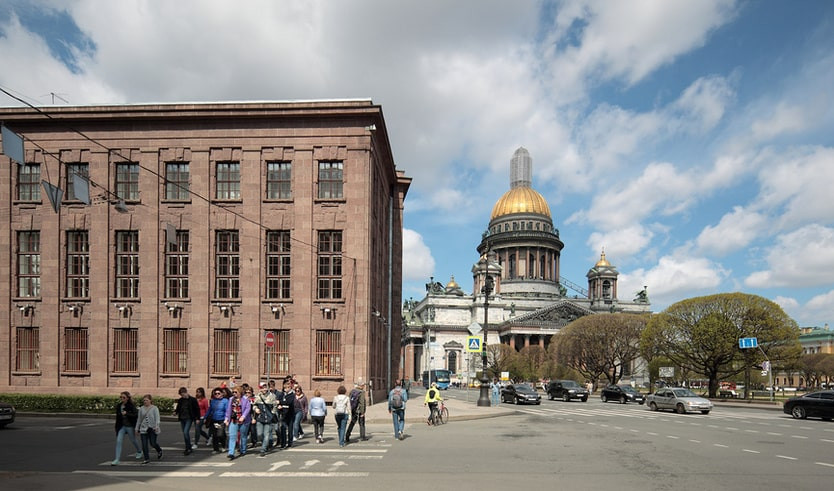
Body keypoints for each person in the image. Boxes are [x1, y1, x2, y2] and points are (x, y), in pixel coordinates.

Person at [111, 391, 142, 465]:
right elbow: (117, 418)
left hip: (130, 426)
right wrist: (116, 427)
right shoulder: (119, 406)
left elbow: (135, 415)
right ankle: (117, 459)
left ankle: (139, 451)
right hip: (121, 426)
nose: (122, 399)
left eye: (124, 397)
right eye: (121, 397)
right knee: (119, 441)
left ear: (127, 398)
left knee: (133, 440)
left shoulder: (131, 406)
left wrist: (127, 413)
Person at [224, 386, 251, 460]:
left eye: (236, 392)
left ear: (240, 392)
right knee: (232, 436)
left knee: (243, 436)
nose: (234, 393)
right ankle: (231, 452)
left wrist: (243, 416)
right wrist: (226, 419)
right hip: (234, 420)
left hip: (243, 420)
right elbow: (228, 410)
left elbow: (248, 408)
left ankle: (243, 450)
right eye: (233, 392)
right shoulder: (231, 399)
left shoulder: (245, 399)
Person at [135, 394, 163, 464]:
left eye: (146, 400)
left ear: (150, 400)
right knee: (144, 444)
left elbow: (157, 418)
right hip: (143, 428)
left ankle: (159, 450)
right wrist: (136, 428)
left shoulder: (154, 408)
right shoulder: (141, 408)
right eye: (144, 400)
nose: (145, 402)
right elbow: (139, 419)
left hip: (152, 428)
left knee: (153, 443)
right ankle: (146, 458)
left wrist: (156, 426)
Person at [252, 381, 278, 457]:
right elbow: (254, 405)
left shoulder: (272, 396)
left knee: (267, 434)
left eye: (265, 387)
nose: (264, 389)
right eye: (262, 387)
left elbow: (275, 406)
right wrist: (255, 409)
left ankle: (263, 449)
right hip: (260, 418)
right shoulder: (258, 397)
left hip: (268, 419)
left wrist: (272, 414)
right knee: (259, 434)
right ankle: (265, 443)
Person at [173, 386, 200, 455]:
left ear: (186, 392)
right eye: (181, 395)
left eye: (183, 394)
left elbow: (197, 409)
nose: (182, 396)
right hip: (182, 418)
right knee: (185, 433)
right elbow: (178, 408)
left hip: (189, 418)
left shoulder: (192, 400)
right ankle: (188, 447)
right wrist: (175, 412)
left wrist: (197, 418)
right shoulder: (181, 400)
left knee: (185, 432)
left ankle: (188, 448)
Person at [207, 387, 229, 453]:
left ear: (222, 394)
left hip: (222, 420)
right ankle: (215, 449)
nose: (217, 395)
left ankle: (223, 446)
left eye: (218, 393)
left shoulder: (225, 401)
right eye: (215, 394)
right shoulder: (213, 401)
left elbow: (227, 410)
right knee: (214, 435)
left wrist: (226, 418)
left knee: (220, 434)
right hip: (214, 419)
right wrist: (205, 417)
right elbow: (210, 410)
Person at [276, 379, 296, 448]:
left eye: (288, 388)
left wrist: (280, 402)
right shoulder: (282, 394)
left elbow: (289, 402)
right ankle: (283, 443)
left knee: (290, 430)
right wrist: (279, 405)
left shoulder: (292, 395)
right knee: (283, 428)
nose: (286, 389)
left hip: (290, 414)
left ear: (290, 388)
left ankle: (290, 443)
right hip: (283, 414)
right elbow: (278, 400)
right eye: (285, 388)